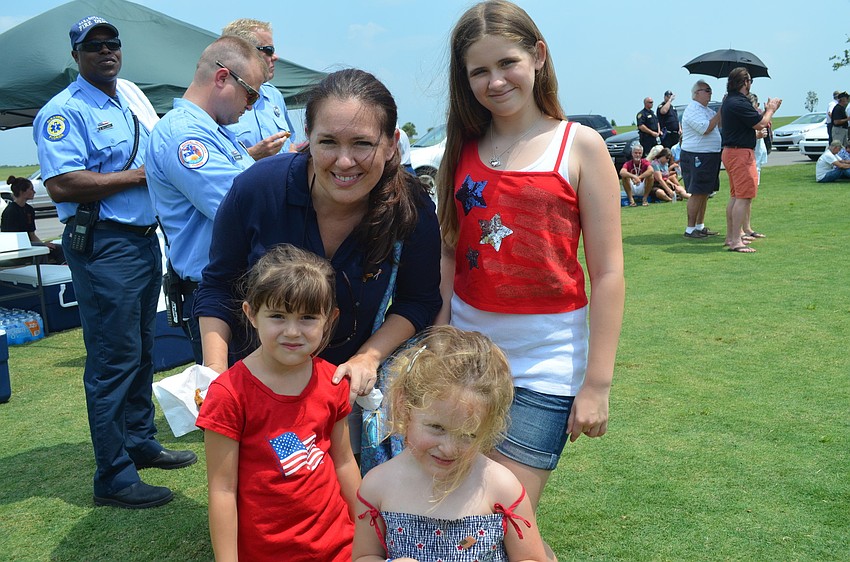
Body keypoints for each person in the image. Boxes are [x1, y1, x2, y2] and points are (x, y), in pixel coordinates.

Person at [435, 2, 624, 559]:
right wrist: (441, 334)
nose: (494, 81)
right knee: (463, 517)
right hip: (466, 358)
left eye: (507, 62)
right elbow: (451, 252)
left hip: (548, 362)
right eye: (478, 71)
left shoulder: (581, 145)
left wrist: (597, 384)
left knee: (498, 518)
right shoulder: (462, 148)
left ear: (538, 56)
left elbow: (609, 272)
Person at [194, 69, 442, 448]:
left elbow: (418, 300)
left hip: (346, 398)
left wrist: (367, 359)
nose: (344, 162)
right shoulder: (258, 188)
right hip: (258, 394)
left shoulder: (411, 206)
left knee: (342, 497)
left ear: (392, 144)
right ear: (306, 136)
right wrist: (216, 370)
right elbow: (217, 284)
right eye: (327, 142)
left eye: (362, 143)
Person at [33, 16, 196, 509]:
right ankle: (113, 474)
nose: (106, 52)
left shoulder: (129, 97)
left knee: (143, 348)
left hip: (143, 241)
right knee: (112, 359)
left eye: (113, 44)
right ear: (76, 56)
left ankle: (139, 441)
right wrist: (139, 176)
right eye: (94, 46)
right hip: (105, 245)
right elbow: (62, 184)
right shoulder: (64, 111)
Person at [197, 244, 359, 561]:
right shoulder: (229, 394)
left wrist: (368, 532)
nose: (293, 331)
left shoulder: (333, 381)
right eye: (278, 316)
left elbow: (343, 462)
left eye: (308, 317)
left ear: (330, 319)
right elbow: (222, 490)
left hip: (340, 546)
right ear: (251, 314)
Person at [353, 326, 547, 562]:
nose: (449, 448)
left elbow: (532, 558)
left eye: (468, 435)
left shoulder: (501, 485)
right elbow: (365, 555)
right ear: (405, 407)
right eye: (437, 428)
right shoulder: (377, 486)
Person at [146, 35, 266, 364]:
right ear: (223, 77)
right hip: (218, 293)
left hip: (236, 288)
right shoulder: (185, 136)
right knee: (233, 406)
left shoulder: (213, 132)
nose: (252, 105)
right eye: (251, 94)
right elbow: (242, 207)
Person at [720, 67, 781, 254]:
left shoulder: (729, 101)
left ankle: (731, 237)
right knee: (744, 197)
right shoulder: (738, 102)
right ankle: (736, 240)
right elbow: (760, 123)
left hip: (731, 152)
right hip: (740, 154)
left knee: (735, 196)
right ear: (745, 82)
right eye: (750, 81)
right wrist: (771, 109)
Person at [222, 19, 297, 160]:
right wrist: (251, 155)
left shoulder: (274, 95)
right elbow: (214, 164)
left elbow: (291, 140)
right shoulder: (219, 101)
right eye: (269, 50)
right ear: (243, 53)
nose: (275, 57)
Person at [680, 80, 723, 239]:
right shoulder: (692, 110)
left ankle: (700, 226)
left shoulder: (706, 110)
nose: (710, 93)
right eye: (707, 90)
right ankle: (690, 229)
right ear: (696, 93)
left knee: (705, 192)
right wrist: (720, 112)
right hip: (697, 155)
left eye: (710, 90)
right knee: (697, 192)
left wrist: (725, 108)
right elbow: (705, 129)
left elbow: (719, 123)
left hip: (710, 155)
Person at [2, 175, 65, 263]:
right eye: (31, 189)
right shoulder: (11, 211)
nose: (34, 192)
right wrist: (41, 245)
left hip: (30, 244)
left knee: (59, 248)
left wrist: (43, 244)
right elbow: (11, 240)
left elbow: (32, 235)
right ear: (22, 192)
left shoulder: (29, 210)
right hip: (18, 246)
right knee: (41, 250)